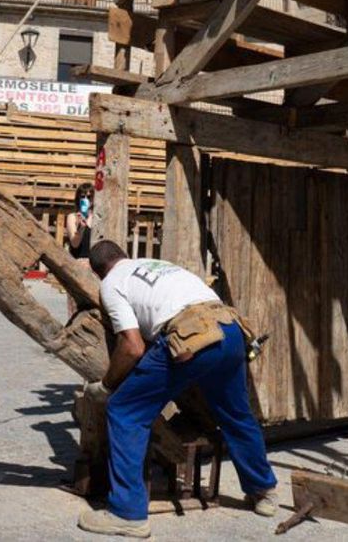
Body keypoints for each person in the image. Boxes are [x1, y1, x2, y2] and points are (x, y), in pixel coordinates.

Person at [77, 240, 277, 538]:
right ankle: (263, 492)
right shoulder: (156, 265)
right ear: (124, 256)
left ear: (99, 272)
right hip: (231, 328)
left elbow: (132, 346)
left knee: (125, 411)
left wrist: (106, 386)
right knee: (235, 413)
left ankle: (127, 514)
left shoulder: (111, 283)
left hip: (191, 336)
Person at [65, 182, 95, 260]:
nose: (86, 199)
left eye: (89, 197)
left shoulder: (97, 218)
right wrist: (81, 228)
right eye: (82, 196)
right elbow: (74, 244)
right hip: (78, 261)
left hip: (95, 262)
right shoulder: (73, 217)